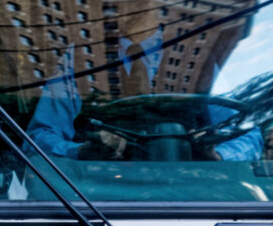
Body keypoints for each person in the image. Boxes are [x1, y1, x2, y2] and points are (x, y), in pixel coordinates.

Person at [25, 40, 262, 161]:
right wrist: (82, 152)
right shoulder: (78, 59)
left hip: (196, 195)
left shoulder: (198, 54)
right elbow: (38, 141)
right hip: (102, 198)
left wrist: (219, 155)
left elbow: (248, 134)